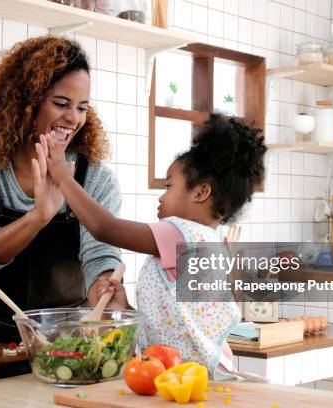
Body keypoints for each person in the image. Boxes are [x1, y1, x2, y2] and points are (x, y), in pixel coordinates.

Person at [39, 114, 267, 377]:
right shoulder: (208, 241)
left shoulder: (181, 235)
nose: (161, 197)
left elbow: (104, 228)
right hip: (198, 370)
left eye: (169, 186)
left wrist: (63, 178)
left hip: (194, 373)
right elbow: (173, 323)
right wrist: (125, 309)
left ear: (200, 193)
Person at [0, 36, 123, 344]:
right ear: (24, 103)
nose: (73, 118)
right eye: (61, 104)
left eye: (82, 107)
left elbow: (99, 254)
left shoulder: (94, 177)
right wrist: (38, 216)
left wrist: (105, 292)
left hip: (74, 340)